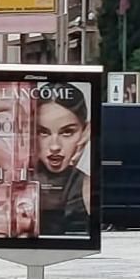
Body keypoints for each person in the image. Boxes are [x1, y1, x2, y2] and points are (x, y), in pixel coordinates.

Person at [32, 85, 92, 237]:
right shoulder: (19, 181)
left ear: (85, 132)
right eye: (43, 132)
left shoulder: (86, 185)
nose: (54, 147)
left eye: (67, 132)